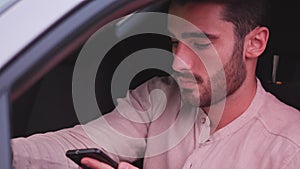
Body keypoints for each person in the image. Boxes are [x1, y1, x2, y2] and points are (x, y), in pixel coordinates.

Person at [11, 0, 300, 169]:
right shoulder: (159, 96)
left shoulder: (290, 148)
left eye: (200, 42)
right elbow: (76, 144)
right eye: (175, 42)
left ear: (255, 43)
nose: (177, 63)